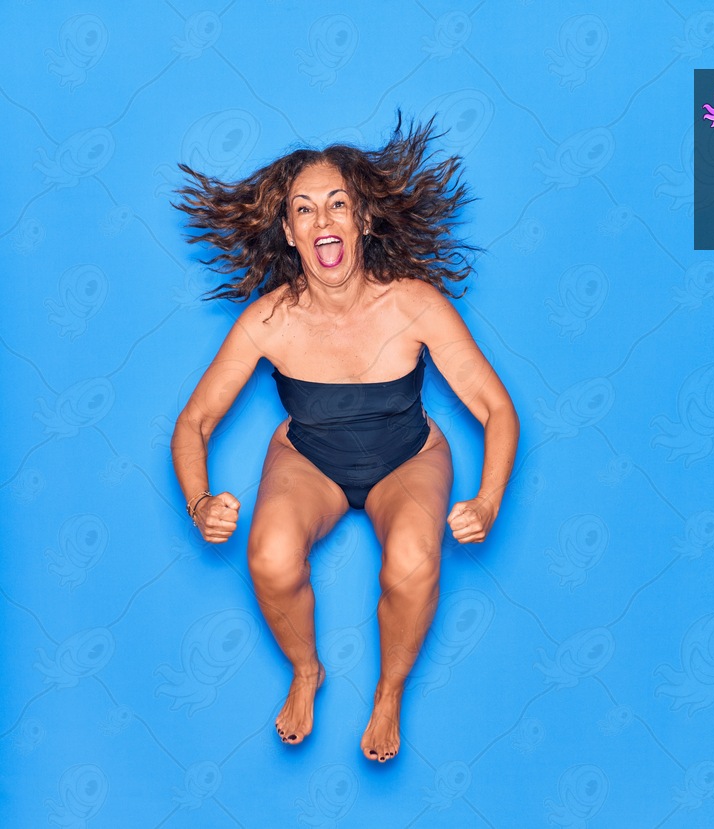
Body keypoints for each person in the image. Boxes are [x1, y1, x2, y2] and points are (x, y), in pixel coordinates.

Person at [169, 116, 518, 762]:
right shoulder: (267, 321)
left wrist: (489, 499)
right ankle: (306, 670)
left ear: (361, 221)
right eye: (304, 209)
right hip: (310, 459)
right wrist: (198, 501)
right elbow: (193, 423)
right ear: (290, 232)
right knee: (270, 555)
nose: (322, 219)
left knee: (413, 560)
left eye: (337, 204)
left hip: (407, 457)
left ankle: (389, 689)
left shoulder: (414, 303)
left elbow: (497, 407)